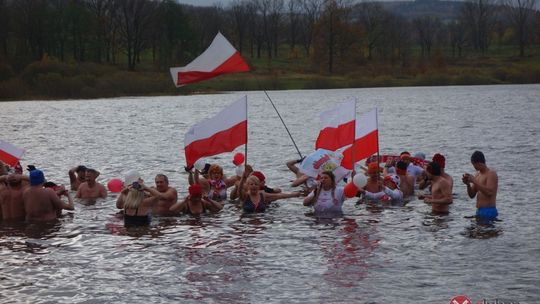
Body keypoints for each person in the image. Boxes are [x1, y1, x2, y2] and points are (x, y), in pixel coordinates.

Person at [462, 151, 498, 223]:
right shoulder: (477, 175)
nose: (473, 167)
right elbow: (472, 195)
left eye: (473, 164)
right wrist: (468, 184)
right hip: (479, 210)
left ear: (478, 163)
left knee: (485, 233)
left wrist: (474, 181)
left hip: (489, 210)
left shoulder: (491, 174)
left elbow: (489, 192)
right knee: (478, 233)